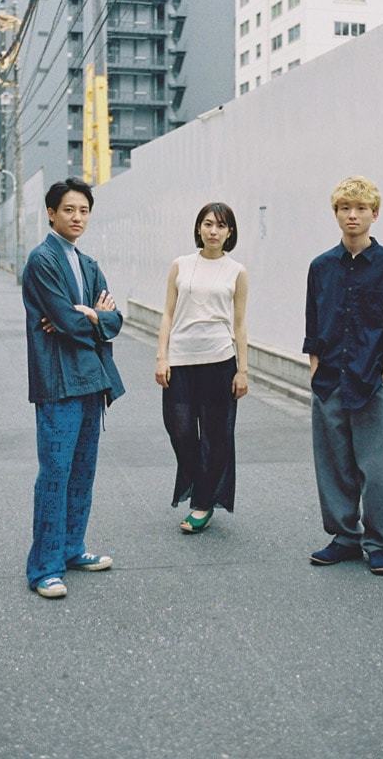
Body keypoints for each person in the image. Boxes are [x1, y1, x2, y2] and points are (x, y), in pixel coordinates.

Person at [303, 176, 383, 576]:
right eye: (345, 208)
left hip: (372, 380)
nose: (353, 215)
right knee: (334, 465)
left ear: (374, 214)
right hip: (330, 378)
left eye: (361, 208)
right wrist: (315, 368)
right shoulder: (321, 267)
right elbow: (313, 321)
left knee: (376, 468)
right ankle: (345, 538)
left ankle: (378, 542)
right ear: (335, 213)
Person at [22, 178, 124, 598]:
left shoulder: (89, 263)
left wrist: (94, 318)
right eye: (68, 209)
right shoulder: (42, 260)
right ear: (51, 213)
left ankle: (72, 548)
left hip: (91, 380)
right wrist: (87, 319)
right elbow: (64, 320)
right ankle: (44, 568)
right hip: (57, 380)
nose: (77, 217)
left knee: (83, 471)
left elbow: (116, 320)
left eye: (83, 210)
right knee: (56, 473)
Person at [155, 203, 248, 533]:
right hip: (180, 360)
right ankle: (201, 483)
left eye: (221, 226)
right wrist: (162, 357)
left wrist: (243, 370)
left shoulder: (236, 271)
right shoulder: (180, 265)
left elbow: (239, 324)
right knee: (179, 430)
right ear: (198, 228)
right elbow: (168, 313)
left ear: (230, 232)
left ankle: (203, 503)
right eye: (208, 224)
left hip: (220, 360)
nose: (213, 231)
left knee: (216, 435)